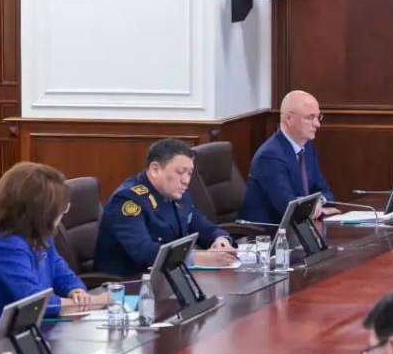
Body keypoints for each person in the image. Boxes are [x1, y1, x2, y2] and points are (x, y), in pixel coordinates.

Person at [0, 162, 105, 328]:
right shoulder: (6, 247)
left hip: (21, 331)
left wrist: (75, 290)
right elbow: (35, 303)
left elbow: (60, 271)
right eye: (61, 208)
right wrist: (100, 301)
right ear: (42, 211)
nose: (63, 213)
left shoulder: (40, 236)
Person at [95, 138, 236, 277]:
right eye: (180, 172)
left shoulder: (179, 194)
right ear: (155, 169)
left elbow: (204, 227)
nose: (186, 180)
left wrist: (220, 240)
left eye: (189, 173)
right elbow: (145, 252)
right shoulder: (128, 199)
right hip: (129, 285)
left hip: (169, 277)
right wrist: (199, 259)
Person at [239, 90, 338, 224]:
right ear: (288, 119)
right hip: (266, 234)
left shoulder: (307, 148)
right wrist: (314, 207)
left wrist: (319, 202)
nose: (317, 124)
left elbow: (326, 192)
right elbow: (288, 207)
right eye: (310, 118)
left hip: (300, 228)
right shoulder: (270, 156)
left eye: (318, 117)